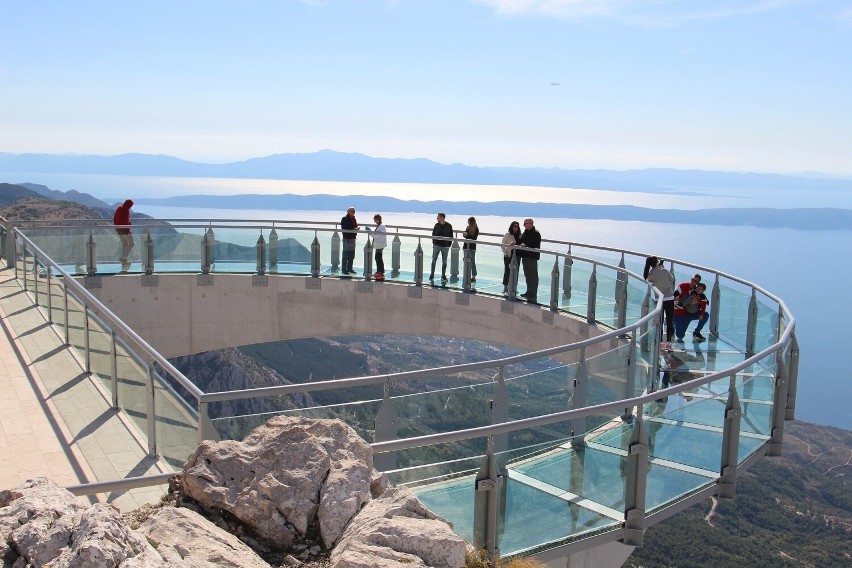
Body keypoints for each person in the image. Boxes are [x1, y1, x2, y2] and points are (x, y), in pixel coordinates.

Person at [645, 256, 675, 342]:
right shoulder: (664, 271)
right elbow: (671, 279)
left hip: (660, 300)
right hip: (669, 298)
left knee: (660, 322)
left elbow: (650, 279)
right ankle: (669, 342)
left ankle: (660, 342)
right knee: (669, 321)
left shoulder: (649, 275)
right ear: (656, 263)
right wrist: (662, 268)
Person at [674, 278, 711, 342]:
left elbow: (706, 303)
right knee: (680, 336)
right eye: (692, 279)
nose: (693, 282)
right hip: (679, 314)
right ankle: (674, 324)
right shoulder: (685, 286)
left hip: (690, 314)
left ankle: (696, 332)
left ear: (697, 284)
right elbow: (675, 293)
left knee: (705, 315)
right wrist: (677, 299)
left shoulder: (701, 295)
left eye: (696, 281)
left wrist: (698, 302)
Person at [517, 218, 541, 300]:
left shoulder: (536, 233)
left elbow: (535, 244)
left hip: (532, 257)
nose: (525, 225)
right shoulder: (525, 232)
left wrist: (526, 245)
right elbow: (521, 241)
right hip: (525, 256)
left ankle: (533, 293)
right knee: (527, 274)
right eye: (524, 224)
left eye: (526, 224)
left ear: (531, 224)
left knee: (533, 275)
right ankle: (529, 291)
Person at [429, 213, 453, 282]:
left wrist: (448, 245)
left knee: (444, 262)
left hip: (445, 246)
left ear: (442, 218)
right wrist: (434, 243)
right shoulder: (436, 225)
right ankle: (432, 275)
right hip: (437, 245)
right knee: (434, 260)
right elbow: (433, 234)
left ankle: (443, 275)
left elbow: (451, 236)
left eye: (438, 217)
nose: (437, 218)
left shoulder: (449, 226)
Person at [113, 199, 134, 271]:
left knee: (124, 244)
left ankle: (124, 262)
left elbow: (115, 218)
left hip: (118, 229)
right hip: (124, 230)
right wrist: (128, 231)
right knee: (131, 243)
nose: (131, 207)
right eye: (131, 205)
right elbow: (125, 222)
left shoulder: (119, 208)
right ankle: (123, 258)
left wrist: (117, 227)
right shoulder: (126, 210)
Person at [501, 221, 522, 293]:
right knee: (507, 271)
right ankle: (505, 286)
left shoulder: (520, 235)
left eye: (517, 226)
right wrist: (505, 253)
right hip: (509, 255)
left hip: (517, 256)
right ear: (512, 227)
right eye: (514, 226)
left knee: (516, 272)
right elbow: (502, 244)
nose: (516, 228)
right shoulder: (508, 235)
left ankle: (514, 287)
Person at [340, 207, 359, 275]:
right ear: (348, 211)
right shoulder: (344, 219)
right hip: (347, 239)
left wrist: (356, 229)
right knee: (345, 255)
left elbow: (355, 226)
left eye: (354, 211)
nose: (354, 213)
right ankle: (344, 269)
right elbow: (344, 228)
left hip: (353, 238)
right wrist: (353, 229)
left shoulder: (353, 218)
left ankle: (350, 268)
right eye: (352, 211)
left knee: (351, 255)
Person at [462, 216, 479, 282]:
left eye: (469, 222)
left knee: (472, 261)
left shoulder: (476, 229)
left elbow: (474, 238)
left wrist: (467, 235)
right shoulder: (468, 227)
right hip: (466, 246)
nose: (468, 223)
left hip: (472, 247)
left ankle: (473, 276)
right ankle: (466, 274)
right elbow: (466, 235)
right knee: (466, 260)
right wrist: (465, 234)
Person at [372, 214, 387, 279]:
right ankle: (380, 271)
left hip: (380, 244)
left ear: (378, 219)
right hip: (380, 244)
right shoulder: (380, 226)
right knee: (378, 257)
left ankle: (380, 272)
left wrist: (370, 232)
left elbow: (377, 236)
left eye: (375, 220)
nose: (374, 221)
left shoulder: (381, 226)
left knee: (378, 258)